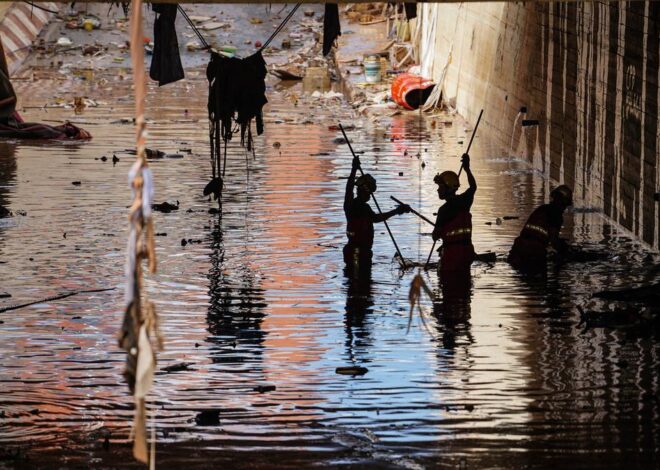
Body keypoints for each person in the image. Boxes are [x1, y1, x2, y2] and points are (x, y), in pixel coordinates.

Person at [343, 156, 409, 274]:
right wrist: (354, 169)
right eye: (370, 192)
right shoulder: (351, 206)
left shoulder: (364, 207)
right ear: (365, 191)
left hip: (364, 252)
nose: (370, 195)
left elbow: (376, 218)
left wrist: (397, 211)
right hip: (356, 253)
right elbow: (349, 190)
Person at [432, 153, 477, 281]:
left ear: (448, 187)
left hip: (451, 258)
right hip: (467, 255)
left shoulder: (443, 211)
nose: (438, 190)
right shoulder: (465, 201)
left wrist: (437, 234)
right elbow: (473, 187)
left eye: (440, 186)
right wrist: (467, 169)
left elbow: (435, 236)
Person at [508, 184, 573, 272]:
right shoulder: (556, 215)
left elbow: (539, 233)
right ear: (563, 202)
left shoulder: (542, 208)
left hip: (518, 247)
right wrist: (565, 251)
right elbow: (554, 241)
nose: (565, 208)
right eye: (565, 205)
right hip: (534, 252)